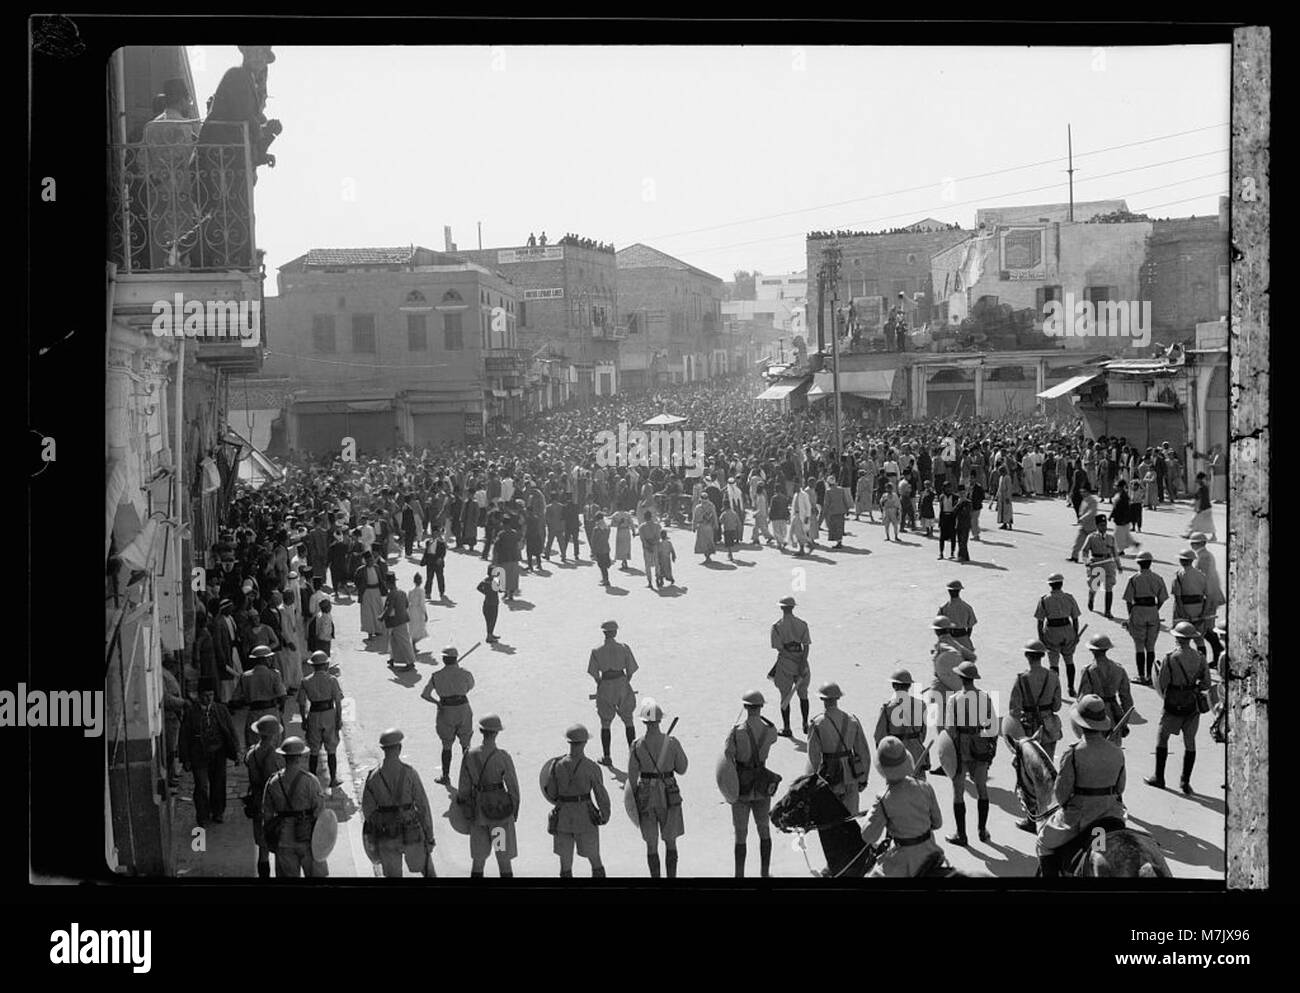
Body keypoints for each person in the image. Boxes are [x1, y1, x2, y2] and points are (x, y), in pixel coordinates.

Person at [1035, 695, 1127, 878]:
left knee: (1043, 843)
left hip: (1080, 818)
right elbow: (1120, 788)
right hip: (1112, 816)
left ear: (1081, 723)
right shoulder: (1117, 752)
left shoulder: (1074, 753)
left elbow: (1061, 795)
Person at [859, 736, 946, 877]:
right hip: (931, 852)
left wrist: (871, 813)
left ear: (881, 767)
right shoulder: (924, 786)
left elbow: (869, 836)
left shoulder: (883, 799)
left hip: (904, 861)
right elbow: (937, 823)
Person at [362, 728, 436, 878]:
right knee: (428, 872)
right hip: (412, 832)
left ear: (383, 749)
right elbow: (423, 806)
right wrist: (429, 836)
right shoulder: (410, 773)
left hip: (386, 835)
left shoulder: (373, 777)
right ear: (399, 748)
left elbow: (368, 811)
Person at [1147, 622, 1211, 794]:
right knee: (1190, 742)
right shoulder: (1200, 657)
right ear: (1190, 639)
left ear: (1177, 637)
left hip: (1173, 703)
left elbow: (1162, 684)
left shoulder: (1170, 658)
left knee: (1162, 738)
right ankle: (1185, 782)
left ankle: (1159, 777)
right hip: (1191, 704)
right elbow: (1206, 684)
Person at [627, 699, 689, 878]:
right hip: (669, 793)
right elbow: (683, 769)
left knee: (651, 844)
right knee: (671, 842)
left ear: (644, 722)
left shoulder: (637, 745)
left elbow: (632, 777)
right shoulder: (672, 742)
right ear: (660, 720)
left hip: (646, 794)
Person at [541, 724, 611, 878]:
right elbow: (601, 795)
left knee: (565, 864)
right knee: (595, 859)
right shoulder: (591, 767)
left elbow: (551, 793)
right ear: (585, 742)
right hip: (585, 818)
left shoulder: (556, 765)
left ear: (569, 742)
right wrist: (605, 814)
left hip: (563, 818)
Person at [724, 690, 780, 878]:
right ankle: (764, 873)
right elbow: (773, 738)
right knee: (764, 829)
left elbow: (728, 754)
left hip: (742, 784)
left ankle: (739, 875)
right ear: (761, 707)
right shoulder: (770, 730)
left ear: (745, 707)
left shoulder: (737, 731)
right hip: (762, 783)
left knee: (741, 833)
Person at [457, 713, 520, 877]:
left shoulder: (469, 755)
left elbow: (463, 788)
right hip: (499, 815)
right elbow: (513, 787)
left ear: (480, 731)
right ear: (497, 733)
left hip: (478, 815)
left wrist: (467, 811)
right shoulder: (502, 756)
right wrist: (513, 811)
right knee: (503, 859)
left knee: (478, 860)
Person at [942, 661, 997, 846]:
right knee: (982, 789)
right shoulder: (985, 698)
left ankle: (961, 834)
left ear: (960, 678)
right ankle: (982, 830)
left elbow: (950, 729)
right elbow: (992, 727)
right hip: (980, 746)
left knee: (958, 792)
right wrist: (991, 752)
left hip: (960, 749)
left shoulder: (954, 699)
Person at [262, 735, 329, 878]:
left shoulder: (272, 782)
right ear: (300, 757)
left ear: (283, 757)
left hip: (284, 839)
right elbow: (320, 812)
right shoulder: (311, 781)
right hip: (308, 839)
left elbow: (266, 815)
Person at [179, 678, 240, 826]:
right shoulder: (191, 712)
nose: (209, 698)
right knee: (201, 786)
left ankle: (218, 812)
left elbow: (231, 731)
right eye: (206, 695)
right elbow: (184, 736)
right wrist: (185, 758)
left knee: (218, 783)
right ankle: (203, 815)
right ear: (199, 696)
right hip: (199, 754)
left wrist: (236, 751)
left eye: (211, 695)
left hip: (218, 753)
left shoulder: (221, 710)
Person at [805, 682, 872, 815]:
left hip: (829, 776)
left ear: (822, 699)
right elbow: (863, 752)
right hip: (851, 774)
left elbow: (813, 757)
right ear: (838, 698)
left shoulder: (817, 723)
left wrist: (812, 783)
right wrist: (863, 778)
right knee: (851, 818)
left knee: (830, 818)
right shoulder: (852, 720)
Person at [422, 645, 476, 785]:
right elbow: (470, 687)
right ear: (456, 659)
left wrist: (437, 703)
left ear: (444, 659)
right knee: (466, 745)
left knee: (446, 745)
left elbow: (425, 695)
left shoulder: (436, 676)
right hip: (463, 709)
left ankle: (445, 776)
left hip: (446, 711)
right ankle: (469, 776)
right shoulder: (465, 673)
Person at [588, 620, 639, 765]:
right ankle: (633, 756)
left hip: (605, 684)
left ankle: (607, 756)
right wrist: (624, 682)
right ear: (615, 632)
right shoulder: (623, 648)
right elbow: (631, 669)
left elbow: (594, 673)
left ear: (604, 633)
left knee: (605, 722)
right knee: (628, 720)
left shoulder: (596, 651)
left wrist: (601, 685)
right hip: (621, 682)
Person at [244, 714, 285, 878]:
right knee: (279, 846)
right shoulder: (275, 756)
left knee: (262, 848)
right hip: (273, 804)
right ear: (275, 735)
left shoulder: (251, 753)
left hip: (256, 801)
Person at [873, 669, 929, 780]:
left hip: (896, 756)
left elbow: (879, 736)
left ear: (894, 686)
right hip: (917, 754)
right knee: (919, 790)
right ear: (909, 686)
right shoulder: (920, 705)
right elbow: (923, 732)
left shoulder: (887, 708)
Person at [299, 651, 344, 787]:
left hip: (314, 714)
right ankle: (333, 779)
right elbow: (338, 702)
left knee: (314, 749)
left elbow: (301, 703)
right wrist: (339, 719)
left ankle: (312, 780)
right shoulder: (332, 680)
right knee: (331, 748)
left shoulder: (306, 681)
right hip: (329, 713)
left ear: (313, 666)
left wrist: (304, 719)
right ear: (326, 664)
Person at [1122, 550, 1168, 684]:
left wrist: (1131, 615)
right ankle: (1150, 676)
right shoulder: (1158, 578)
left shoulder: (1134, 578)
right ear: (1150, 563)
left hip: (1138, 611)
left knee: (1139, 646)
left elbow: (1128, 600)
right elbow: (1163, 598)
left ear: (1138, 563)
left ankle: (1141, 676)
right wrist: (1155, 609)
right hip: (1152, 610)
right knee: (1151, 646)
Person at [230, 644, 286, 752]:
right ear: (265, 659)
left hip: (253, 713)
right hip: (271, 711)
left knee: (254, 745)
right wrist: (281, 709)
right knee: (274, 743)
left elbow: (235, 699)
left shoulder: (245, 676)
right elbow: (282, 695)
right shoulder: (274, 674)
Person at [769, 596, 812, 737]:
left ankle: (787, 728)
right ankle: (805, 724)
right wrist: (802, 662)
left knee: (785, 696)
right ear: (793, 607)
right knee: (803, 695)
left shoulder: (777, 627)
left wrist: (790, 657)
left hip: (785, 664)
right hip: (801, 661)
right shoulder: (802, 624)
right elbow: (806, 646)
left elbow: (779, 648)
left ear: (781, 608)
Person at [1076, 634, 1133, 735]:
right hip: (1114, 713)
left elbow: (1083, 698)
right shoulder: (1119, 669)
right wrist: (1123, 721)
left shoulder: (1088, 670)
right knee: (1114, 747)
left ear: (1092, 650)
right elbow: (1126, 698)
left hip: (1095, 715)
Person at [1035, 573, 1081, 697]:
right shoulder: (1069, 597)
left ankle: (1055, 690)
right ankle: (1071, 688)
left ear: (1050, 585)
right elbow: (1075, 618)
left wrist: (1041, 638)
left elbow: (1040, 621)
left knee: (1053, 664)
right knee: (1069, 661)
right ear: (1061, 584)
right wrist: (1076, 634)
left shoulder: (1044, 599)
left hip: (1051, 632)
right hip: (1067, 630)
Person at [1190, 533, 1226, 666]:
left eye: (1193, 543)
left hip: (1209, 596)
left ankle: (1219, 655)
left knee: (1205, 629)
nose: (1191, 545)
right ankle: (1218, 656)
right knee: (1207, 629)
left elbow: (1203, 578)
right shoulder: (1205, 555)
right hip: (1211, 594)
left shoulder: (1202, 557)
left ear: (1198, 543)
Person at [1170, 549, 1210, 660]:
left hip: (1183, 608)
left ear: (1181, 561)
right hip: (1198, 608)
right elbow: (1207, 596)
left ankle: (1181, 662)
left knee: (1180, 638)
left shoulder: (1178, 575)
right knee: (1199, 640)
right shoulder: (1201, 575)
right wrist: (1203, 612)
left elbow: (1177, 597)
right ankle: (1202, 663)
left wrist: (1182, 612)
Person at [1082, 514, 1121, 617]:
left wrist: (1118, 565)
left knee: (1109, 587)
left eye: (1105, 525)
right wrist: (1086, 561)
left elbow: (1115, 553)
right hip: (1096, 563)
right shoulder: (1091, 537)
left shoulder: (1110, 537)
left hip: (1108, 563)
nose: (1104, 527)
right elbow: (1085, 551)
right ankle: (1091, 597)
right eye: (1101, 525)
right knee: (1094, 586)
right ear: (1097, 526)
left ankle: (1108, 611)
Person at [382, 582, 416, 669]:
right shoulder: (402, 592)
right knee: (394, 641)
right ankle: (393, 658)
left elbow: (388, 609)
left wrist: (382, 617)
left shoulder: (391, 595)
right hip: (402, 619)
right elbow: (406, 605)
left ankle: (410, 662)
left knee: (402, 642)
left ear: (389, 584)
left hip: (394, 621)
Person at [937, 579, 977, 653]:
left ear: (948, 591)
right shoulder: (967, 607)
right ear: (959, 591)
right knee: (968, 661)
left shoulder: (943, 608)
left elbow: (938, 627)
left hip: (949, 639)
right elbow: (970, 626)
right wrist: (966, 638)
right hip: (963, 637)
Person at [354, 550, 387, 638]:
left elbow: (381, 580)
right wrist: (361, 588)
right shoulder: (360, 570)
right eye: (369, 561)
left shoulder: (377, 567)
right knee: (368, 613)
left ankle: (377, 630)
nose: (371, 562)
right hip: (366, 593)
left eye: (372, 560)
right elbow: (356, 581)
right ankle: (370, 632)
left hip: (376, 592)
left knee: (377, 611)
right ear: (366, 561)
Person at [1184, 472, 1216, 541]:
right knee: (1206, 522)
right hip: (1206, 508)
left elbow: (1201, 500)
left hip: (1204, 508)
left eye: (1198, 479)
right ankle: (1214, 536)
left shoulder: (1202, 489)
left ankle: (1189, 534)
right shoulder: (1204, 488)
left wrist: (1198, 508)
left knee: (1194, 521)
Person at [822, 475, 851, 548]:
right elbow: (845, 500)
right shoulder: (841, 489)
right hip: (841, 511)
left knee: (834, 527)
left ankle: (838, 542)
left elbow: (827, 503)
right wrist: (847, 509)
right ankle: (840, 541)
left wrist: (824, 512)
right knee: (840, 527)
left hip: (833, 511)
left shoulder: (828, 491)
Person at [476, 566, 500, 643]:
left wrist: (485, 593)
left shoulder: (485, 580)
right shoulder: (495, 581)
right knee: (492, 620)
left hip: (486, 602)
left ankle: (490, 634)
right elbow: (501, 590)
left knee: (488, 620)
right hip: (494, 603)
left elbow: (478, 587)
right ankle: (489, 637)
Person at [638, 510, 661, 587]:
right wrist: (653, 543)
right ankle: (658, 577)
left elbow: (642, 539)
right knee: (657, 563)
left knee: (647, 565)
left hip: (646, 547)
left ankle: (650, 582)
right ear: (651, 517)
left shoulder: (641, 527)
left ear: (644, 517)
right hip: (655, 546)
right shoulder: (657, 526)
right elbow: (658, 537)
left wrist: (647, 545)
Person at [407, 573, 428, 647]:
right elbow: (422, 603)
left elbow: (407, 601)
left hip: (411, 610)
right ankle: (414, 642)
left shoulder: (410, 590)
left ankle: (413, 642)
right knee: (419, 627)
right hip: (418, 610)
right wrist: (425, 613)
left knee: (413, 627)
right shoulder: (421, 590)